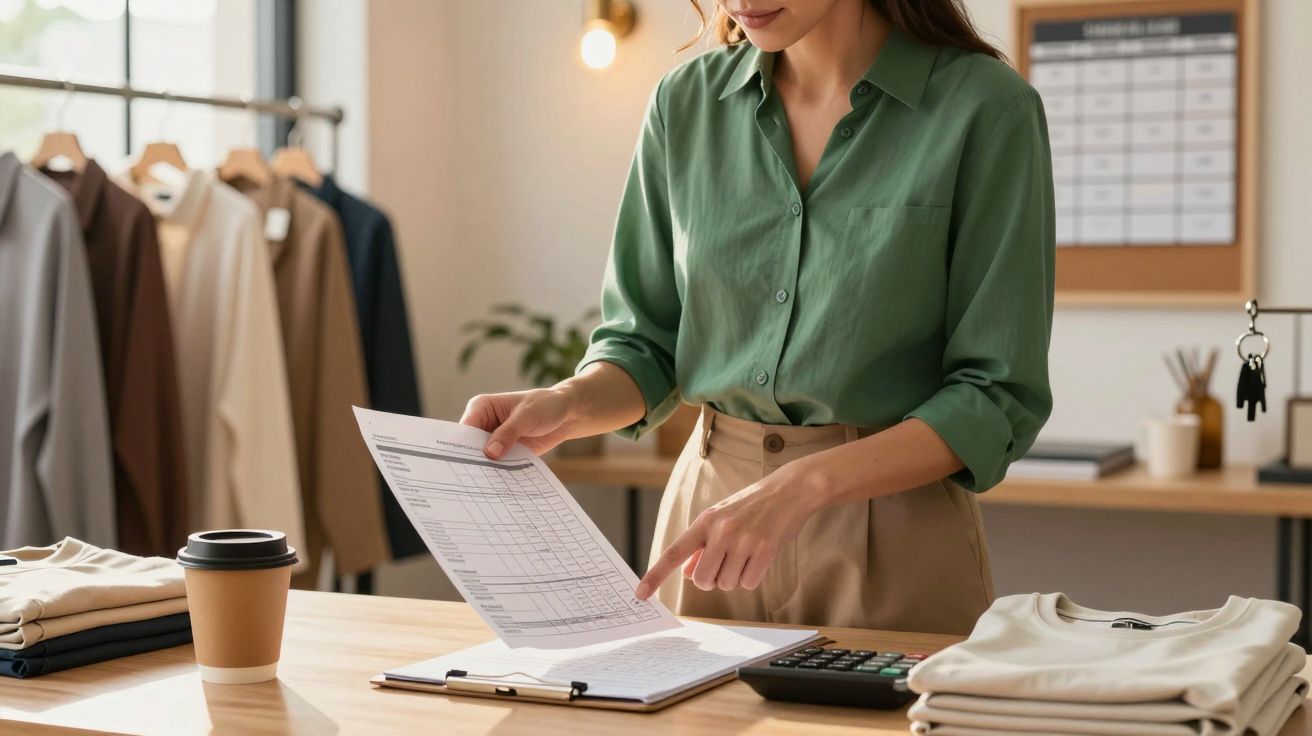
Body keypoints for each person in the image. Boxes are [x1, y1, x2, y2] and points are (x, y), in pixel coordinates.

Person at [461, 0, 1054, 635]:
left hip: (895, 533)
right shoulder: (684, 103)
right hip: (706, 528)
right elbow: (648, 344)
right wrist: (569, 401)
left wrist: (800, 487)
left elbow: (995, 396)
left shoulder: (986, 108)